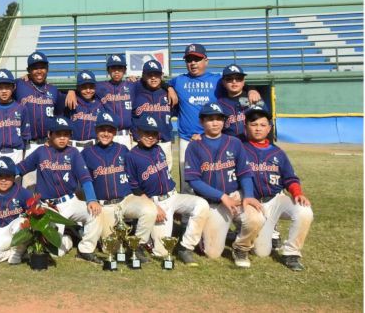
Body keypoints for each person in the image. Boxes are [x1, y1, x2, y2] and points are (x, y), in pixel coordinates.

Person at [168, 44, 260, 192]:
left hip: (213, 137)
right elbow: (162, 83)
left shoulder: (217, 80)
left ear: (206, 61)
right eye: (189, 59)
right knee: (188, 182)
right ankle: (189, 214)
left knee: (214, 177)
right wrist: (169, 88)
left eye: (197, 59)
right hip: (187, 138)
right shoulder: (178, 81)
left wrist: (252, 88)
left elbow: (235, 83)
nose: (192, 63)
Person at [183, 102, 265, 268]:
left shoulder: (234, 142)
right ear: (201, 122)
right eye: (210, 119)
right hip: (212, 202)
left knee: (256, 218)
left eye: (219, 119)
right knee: (212, 254)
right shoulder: (194, 146)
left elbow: (245, 173)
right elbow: (194, 180)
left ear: (224, 121)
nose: (215, 123)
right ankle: (209, 236)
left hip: (235, 195)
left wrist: (248, 195)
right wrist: (221, 196)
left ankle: (241, 248)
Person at [16, 116, 103, 263]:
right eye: (58, 134)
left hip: (69, 201)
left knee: (95, 214)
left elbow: (85, 178)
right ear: (50, 135)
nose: (63, 138)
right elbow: (20, 168)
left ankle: (85, 250)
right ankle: (69, 237)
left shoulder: (73, 153)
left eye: (66, 134)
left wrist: (92, 199)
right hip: (48, 206)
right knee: (55, 253)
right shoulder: (40, 152)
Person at [126, 113, 209, 266]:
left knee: (202, 205)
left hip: (173, 196)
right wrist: (153, 207)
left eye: (153, 133)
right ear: (138, 133)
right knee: (162, 253)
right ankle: (149, 240)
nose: (150, 137)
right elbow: (134, 187)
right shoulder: (132, 156)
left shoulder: (158, 150)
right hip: (155, 202)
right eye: (146, 133)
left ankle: (186, 247)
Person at [242, 105, 313, 271]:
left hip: (275, 200)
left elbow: (290, 178)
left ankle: (291, 253)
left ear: (269, 128)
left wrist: (297, 193)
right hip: (252, 205)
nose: (258, 128)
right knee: (261, 252)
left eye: (262, 124)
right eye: (253, 124)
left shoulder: (278, 153)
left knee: (304, 211)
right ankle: (247, 233)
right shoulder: (239, 148)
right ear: (246, 126)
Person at [81, 111, 156, 262]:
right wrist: (91, 199)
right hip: (105, 206)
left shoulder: (123, 150)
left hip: (126, 200)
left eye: (109, 130)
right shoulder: (87, 153)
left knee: (149, 209)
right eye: (102, 129)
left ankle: (138, 245)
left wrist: (145, 196)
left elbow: (136, 174)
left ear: (115, 132)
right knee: (111, 248)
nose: (106, 133)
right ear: (96, 131)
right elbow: (83, 181)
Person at [15, 51, 64, 189]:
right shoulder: (19, 85)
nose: (39, 71)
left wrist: (72, 91)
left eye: (42, 67)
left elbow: (59, 115)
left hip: (48, 145)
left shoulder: (53, 90)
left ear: (47, 69)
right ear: (29, 70)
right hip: (28, 145)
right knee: (28, 186)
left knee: (50, 185)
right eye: (34, 68)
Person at [0, 68, 30, 175]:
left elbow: (25, 134)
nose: (4, 91)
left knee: (15, 185)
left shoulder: (21, 108)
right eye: (0, 87)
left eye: (7, 87)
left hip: (16, 152)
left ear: (13, 87)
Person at [132, 60, 173, 169]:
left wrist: (169, 87)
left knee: (164, 178)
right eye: (150, 74)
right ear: (143, 76)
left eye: (157, 74)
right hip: (141, 143)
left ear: (162, 75)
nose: (153, 77)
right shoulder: (135, 91)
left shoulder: (169, 94)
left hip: (163, 143)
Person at [218, 64, 265, 140]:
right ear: (223, 82)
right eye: (229, 79)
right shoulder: (219, 105)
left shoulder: (254, 98)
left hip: (252, 145)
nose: (234, 81)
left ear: (243, 81)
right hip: (230, 146)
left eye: (238, 78)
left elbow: (267, 124)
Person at [66, 70, 103, 152]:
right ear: (78, 87)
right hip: (73, 147)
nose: (88, 90)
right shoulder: (72, 100)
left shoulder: (101, 104)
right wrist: (70, 90)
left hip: (94, 146)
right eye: (84, 87)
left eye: (91, 87)